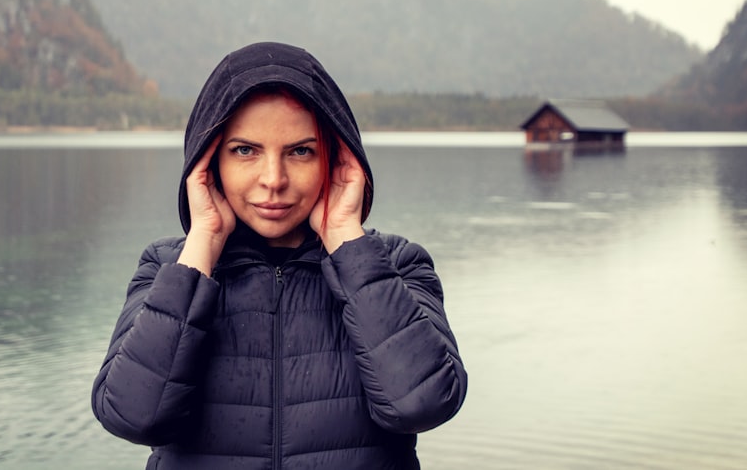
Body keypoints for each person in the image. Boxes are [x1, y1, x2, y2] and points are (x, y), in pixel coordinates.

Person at [91, 41, 467, 469]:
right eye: (245, 150)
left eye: (300, 151)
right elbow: (134, 417)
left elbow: (424, 404)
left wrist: (346, 238)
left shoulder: (395, 264)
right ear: (208, 162)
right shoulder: (168, 269)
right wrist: (202, 244)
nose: (274, 179)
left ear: (337, 159)